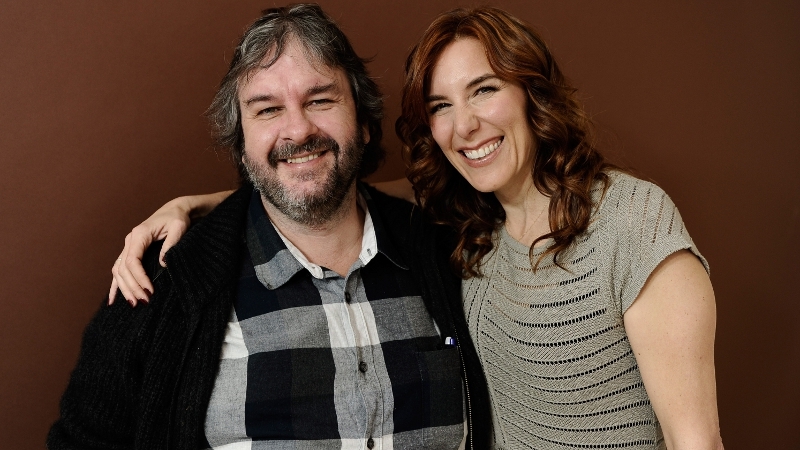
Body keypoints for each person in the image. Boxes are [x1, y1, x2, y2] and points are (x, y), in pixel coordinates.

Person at [110, 6, 724, 450]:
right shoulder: (469, 221)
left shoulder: (627, 220)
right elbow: (318, 179)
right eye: (439, 107)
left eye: (484, 90)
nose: (466, 127)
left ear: (530, 91)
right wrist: (195, 205)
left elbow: (696, 441)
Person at [49, 4, 491, 449]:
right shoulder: (164, 280)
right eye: (267, 110)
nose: (297, 130)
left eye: (320, 100)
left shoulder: (448, 248)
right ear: (241, 144)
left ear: (364, 123)